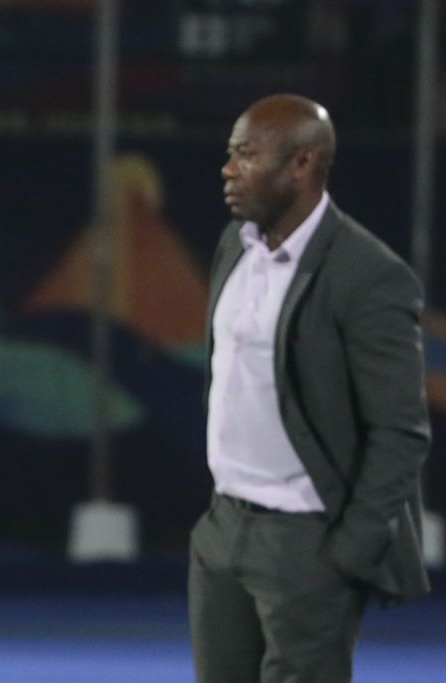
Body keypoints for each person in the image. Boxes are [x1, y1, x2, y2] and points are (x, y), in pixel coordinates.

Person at [190, 93, 432, 682]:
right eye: (229, 154)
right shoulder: (234, 245)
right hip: (221, 532)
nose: (227, 169)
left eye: (245, 155)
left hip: (307, 541)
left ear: (302, 164)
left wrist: (346, 553)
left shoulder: (370, 275)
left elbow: (400, 431)